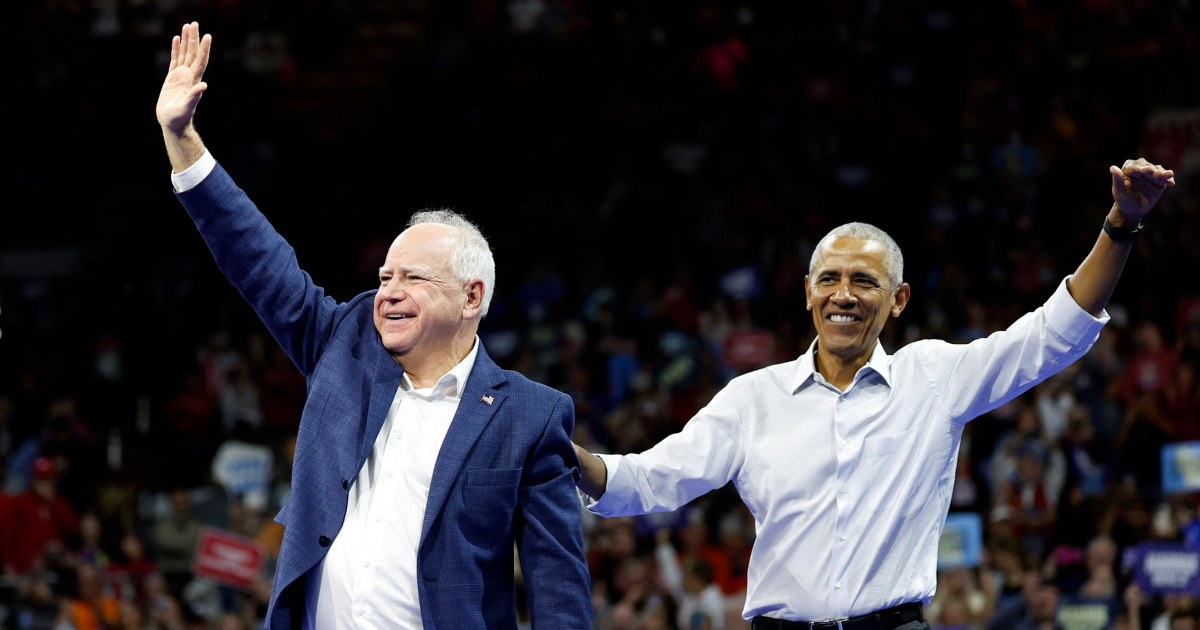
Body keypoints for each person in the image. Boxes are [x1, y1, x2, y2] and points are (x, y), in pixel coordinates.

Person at [574, 151, 1175, 627]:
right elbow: (647, 481)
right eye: (829, 279)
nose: (844, 295)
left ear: (897, 301)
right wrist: (558, 446)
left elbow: (1055, 334)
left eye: (865, 281)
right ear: (808, 291)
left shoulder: (934, 379)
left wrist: (1120, 226)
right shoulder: (751, 400)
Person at [154, 22, 591, 629]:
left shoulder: (530, 416)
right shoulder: (345, 348)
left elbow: (559, 595)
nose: (387, 293)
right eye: (385, 277)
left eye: (412, 278)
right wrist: (183, 140)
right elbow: (260, 261)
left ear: (472, 297)